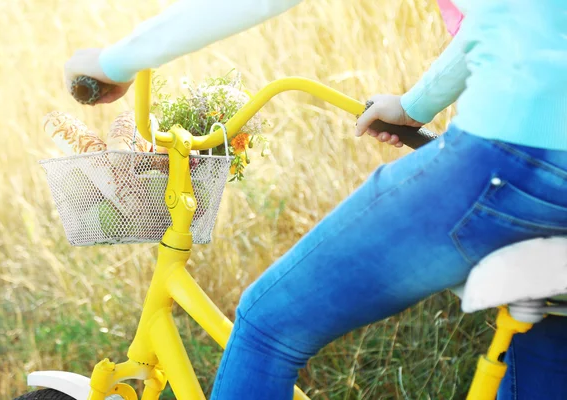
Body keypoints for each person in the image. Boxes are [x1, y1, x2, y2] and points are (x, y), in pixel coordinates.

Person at [64, 1, 567, 399]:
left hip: (513, 158)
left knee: (267, 323)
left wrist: (113, 61)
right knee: (545, 334)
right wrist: (415, 105)